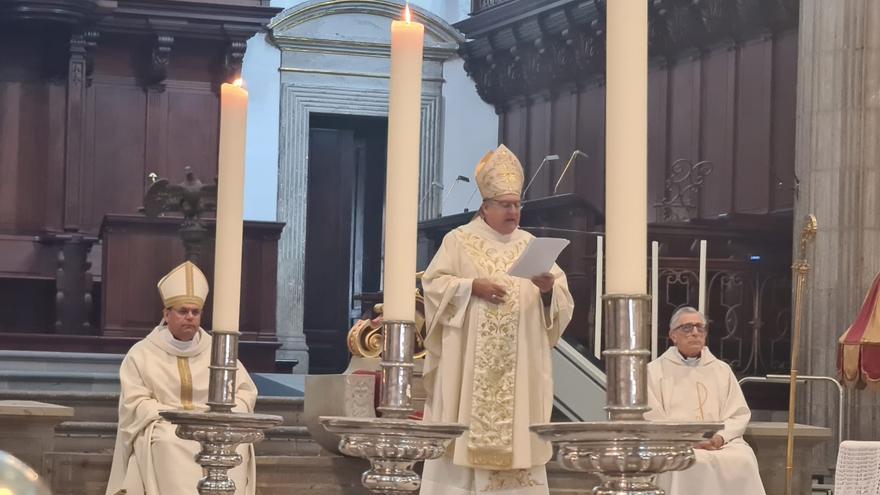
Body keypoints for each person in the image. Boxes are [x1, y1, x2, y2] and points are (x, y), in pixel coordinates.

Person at [419, 144, 575, 495]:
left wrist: (549, 290)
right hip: (468, 367)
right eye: (505, 205)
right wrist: (472, 286)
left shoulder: (532, 244)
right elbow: (433, 284)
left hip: (519, 369)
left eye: (516, 204)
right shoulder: (459, 241)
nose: (512, 211)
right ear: (486, 207)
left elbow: (562, 301)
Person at [105, 261, 258, 495]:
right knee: (168, 443)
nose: (190, 317)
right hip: (168, 425)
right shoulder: (143, 353)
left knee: (238, 443)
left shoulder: (216, 351)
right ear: (166, 314)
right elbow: (134, 403)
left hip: (212, 427)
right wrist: (171, 415)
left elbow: (245, 391)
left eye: (195, 312)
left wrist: (223, 414)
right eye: (183, 311)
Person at [645, 306, 766, 495]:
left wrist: (719, 437)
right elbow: (652, 417)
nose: (694, 332)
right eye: (687, 328)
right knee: (682, 465)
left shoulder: (721, 369)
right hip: (676, 444)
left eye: (700, 328)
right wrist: (688, 441)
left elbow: (738, 414)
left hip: (719, 443)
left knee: (743, 459)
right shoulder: (654, 371)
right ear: (673, 335)